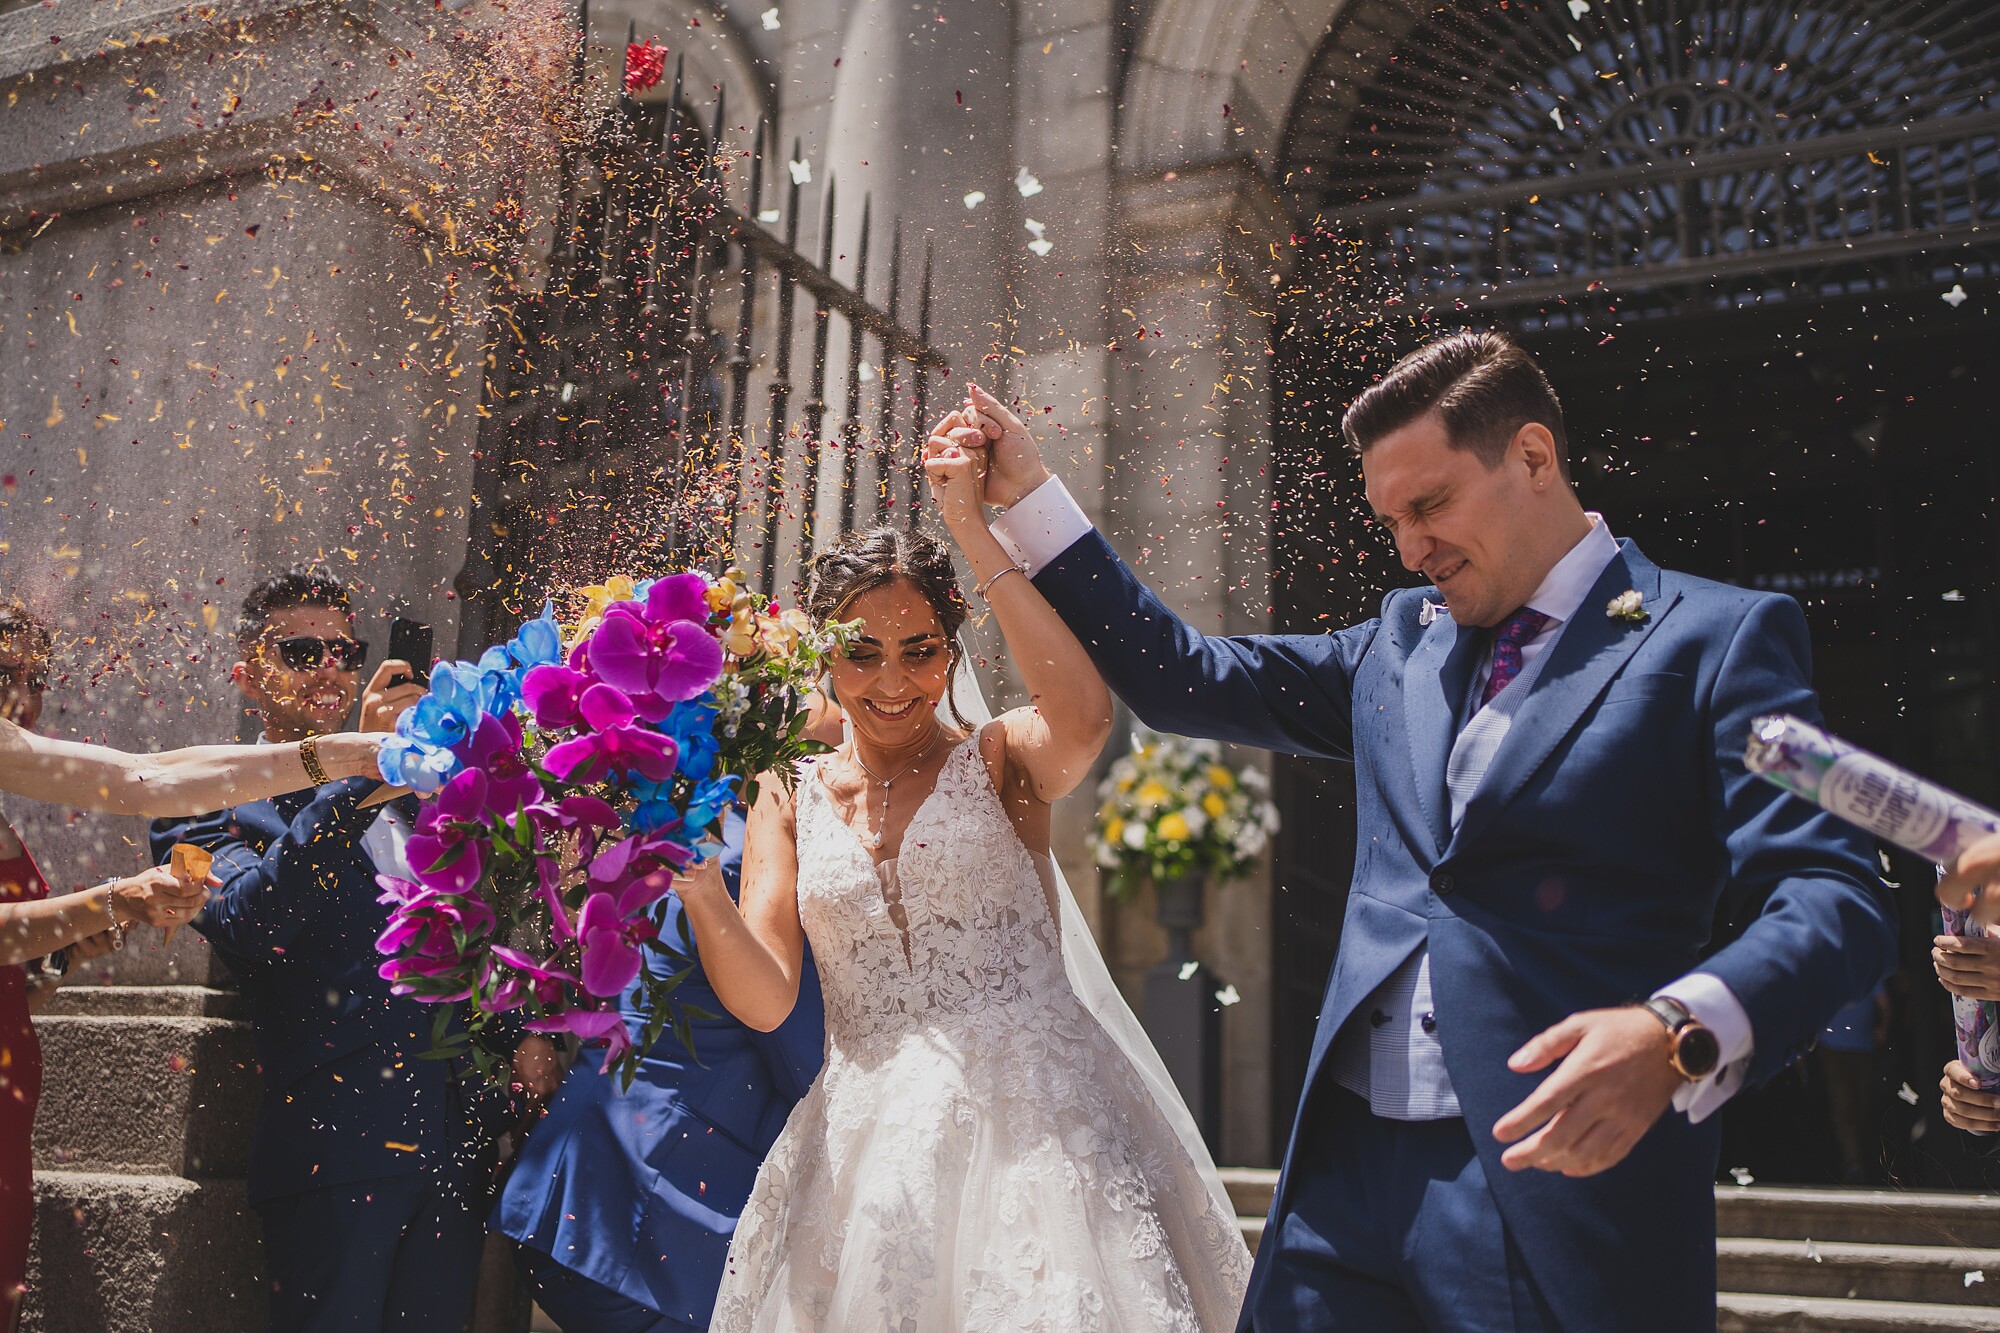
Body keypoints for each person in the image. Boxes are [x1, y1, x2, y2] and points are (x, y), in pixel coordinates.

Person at [943, 331, 1898, 1333]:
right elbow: (1182, 675)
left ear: (1532, 457)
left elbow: (1832, 891)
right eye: (1387, 517)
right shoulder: (1393, 642)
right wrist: (1031, 497)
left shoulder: (1713, 640)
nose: (1406, 546)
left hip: (1547, 1177)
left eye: (1429, 504)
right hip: (1338, 1181)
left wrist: (1676, 1033)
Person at [678, 515, 1252, 1330]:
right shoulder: (784, 789)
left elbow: (1086, 718)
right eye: (862, 652)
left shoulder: (1000, 758)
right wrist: (698, 887)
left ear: (951, 649)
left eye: (920, 649)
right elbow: (769, 998)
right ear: (823, 654)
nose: (892, 680)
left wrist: (978, 535)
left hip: (1040, 1134)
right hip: (865, 1156)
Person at [150, 567, 534, 1333]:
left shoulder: (422, 793)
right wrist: (349, 773)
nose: (329, 669)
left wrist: (515, 1046)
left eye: (344, 651)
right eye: (300, 652)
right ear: (247, 676)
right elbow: (251, 922)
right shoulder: (198, 795)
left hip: (454, 1153)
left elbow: (464, 947)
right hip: (335, 1157)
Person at [494, 806, 829, 1332]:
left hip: (578, 1196)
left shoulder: (675, 823)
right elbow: (807, 1060)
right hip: (648, 1222)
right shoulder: (758, 862)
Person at [0, 603, 213, 1326]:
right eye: (5, 673)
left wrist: (68, 953)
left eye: (37, 677)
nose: (24, 698)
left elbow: (20, 979)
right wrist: (111, 896)